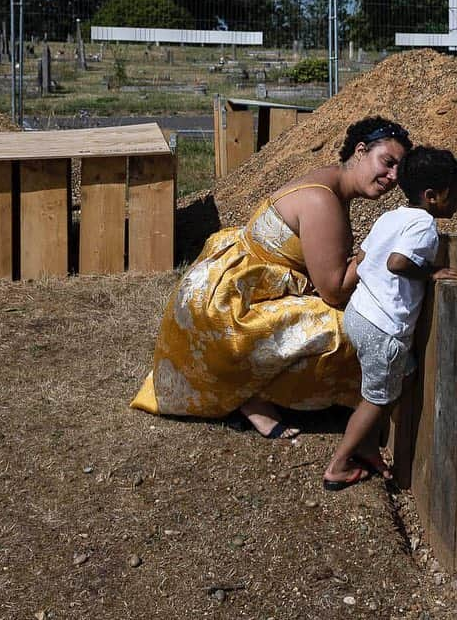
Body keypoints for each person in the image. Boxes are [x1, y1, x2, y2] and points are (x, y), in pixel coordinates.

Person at [130, 116, 413, 441]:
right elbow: (334, 291)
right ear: (360, 151)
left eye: (398, 171)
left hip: (224, 288)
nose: (392, 177)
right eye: (387, 163)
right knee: (351, 330)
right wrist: (375, 247)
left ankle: (251, 391)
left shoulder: (330, 183)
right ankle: (256, 391)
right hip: (229, 313)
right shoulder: (323, 200)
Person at [322, 146, 457, 491]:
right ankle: (338, 466)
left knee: (404, 375)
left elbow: (365, 255)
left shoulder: (391, 217)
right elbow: (397, 263)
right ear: (432, 196)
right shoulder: (424, 225)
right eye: (455, 194)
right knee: (377, 398)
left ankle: (370, 447)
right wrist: (434, 271)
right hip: (383, 329)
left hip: (360, 314)